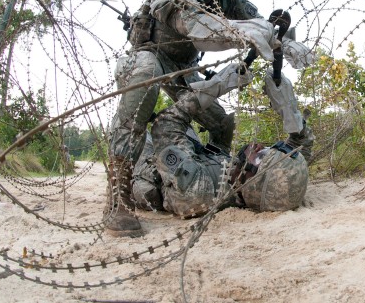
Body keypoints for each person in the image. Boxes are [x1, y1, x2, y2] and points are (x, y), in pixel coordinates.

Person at [105, 0, 312, 237]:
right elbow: (190, 23)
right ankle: (118, 201)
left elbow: (261, 23)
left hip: (184, 69)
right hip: (151, 57)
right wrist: (236, 31)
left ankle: (209, 168)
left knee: (220, 122)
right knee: (141, 97)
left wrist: (286, 41)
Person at [132, 62, 312, 218]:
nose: (258, 146)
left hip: (148, 163)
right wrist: (289, 111)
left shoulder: (199, 191)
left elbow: (164, 125)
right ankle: (181, 71)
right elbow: (299, 148)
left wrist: (213, 88)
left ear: (252, 183)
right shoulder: (280, 184)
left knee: (132, 120)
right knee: (227, 124)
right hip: (205, 160)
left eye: (261, 155)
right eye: (267, 148)